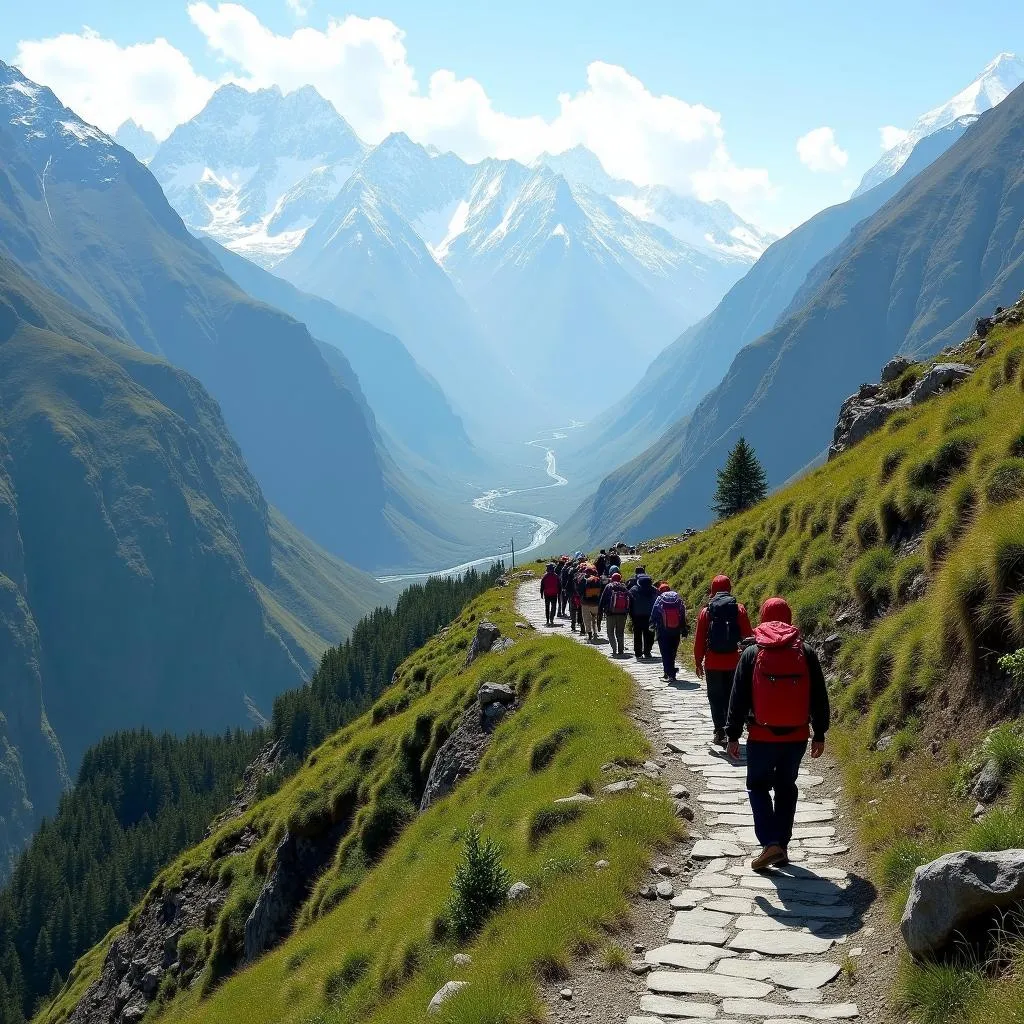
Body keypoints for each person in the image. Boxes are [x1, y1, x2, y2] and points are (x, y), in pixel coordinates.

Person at [726, 597, 830, 872]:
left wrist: (732, 734)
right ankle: (781, 845)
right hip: (796, 737)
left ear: (762, 617)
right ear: (789, 616)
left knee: (758, 786)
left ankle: (770, 843)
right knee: (787, 787)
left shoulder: (752, 652)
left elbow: (737, 698)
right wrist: (819, 732)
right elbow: (819, 695)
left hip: (761, 736)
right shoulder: (805, 651)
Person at [693, 575, 753, 747]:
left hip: (713, 662)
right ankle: (732, 729)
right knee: (732, 697)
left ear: (712, 589)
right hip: (735, 662)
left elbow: (699, 639)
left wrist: (698, 661)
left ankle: (720, 731)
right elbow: (748, 638)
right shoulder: (739, 609)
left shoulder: (707, 611)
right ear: (729, 588)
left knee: (715, 697)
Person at [650, 586, 688, 681]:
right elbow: (683, 614)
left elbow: (654, 612)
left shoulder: (659, 599)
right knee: (672, 652)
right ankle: (668, 672)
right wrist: (683, 628)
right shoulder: (678, 600)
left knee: (665, 653)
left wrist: (652, 623)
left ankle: (670, 674)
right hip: (676, 630)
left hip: (663, 630)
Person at [599, 571, 630, 655]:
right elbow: (630, 599)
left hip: (610, 613)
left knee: (610, 632)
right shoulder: (624, 587)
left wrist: (600, 611)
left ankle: (614, 648)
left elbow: (603, 599)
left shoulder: (608, 586)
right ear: (620, 579)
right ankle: (621, 650)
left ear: (611, 579)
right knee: (620, 633)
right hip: (622, 614)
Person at [627, 572, 657, 660]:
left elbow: (629, 603)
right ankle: (647, 651)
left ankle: (638, 652)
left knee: (637, 635)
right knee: (650, 634)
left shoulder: (634, 589)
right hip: (650, 616)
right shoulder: (654, 590)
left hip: (637, 616)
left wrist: (631, 614)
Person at [579, 569, 604, 641]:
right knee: (594, 618)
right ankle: (595, 632)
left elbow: (580, 591)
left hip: (585, 603)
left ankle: (589, 633)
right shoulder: (598, 580)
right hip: (595, 603)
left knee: (586, 619)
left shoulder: (584, 580)